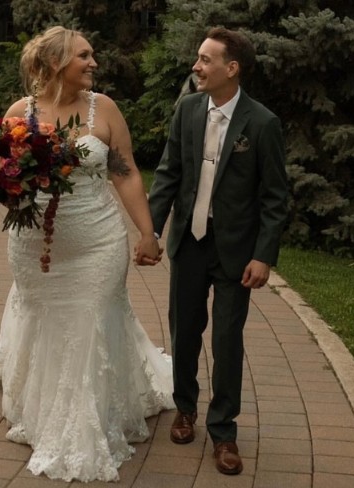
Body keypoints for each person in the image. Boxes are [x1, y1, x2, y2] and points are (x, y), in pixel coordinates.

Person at [0, 26, 174, 483]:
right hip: (36, 245)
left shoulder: (103, 109)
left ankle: (84, 424)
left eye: (93, 55)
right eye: (84, 56)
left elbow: (124, 173)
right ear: (56, 63)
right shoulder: (18, 114)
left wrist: (148, 233)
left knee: (91, 319)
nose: (94, 63)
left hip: (98, 240)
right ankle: (43, 405)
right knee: (46, 318)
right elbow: (6, 181)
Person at [146, 27, 289, 475]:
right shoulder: (187, 110)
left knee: (227, 341)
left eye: (206, 59)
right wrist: (150, 230)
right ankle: (185, 408)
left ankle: (224, 432)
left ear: (232, 69)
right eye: (197, 58)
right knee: (184, 332)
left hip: (235, 253)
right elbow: (169, 173)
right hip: (189, 243)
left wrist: (264, 255)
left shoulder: (262, 123)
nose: (196, 66)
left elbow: (274, 197)